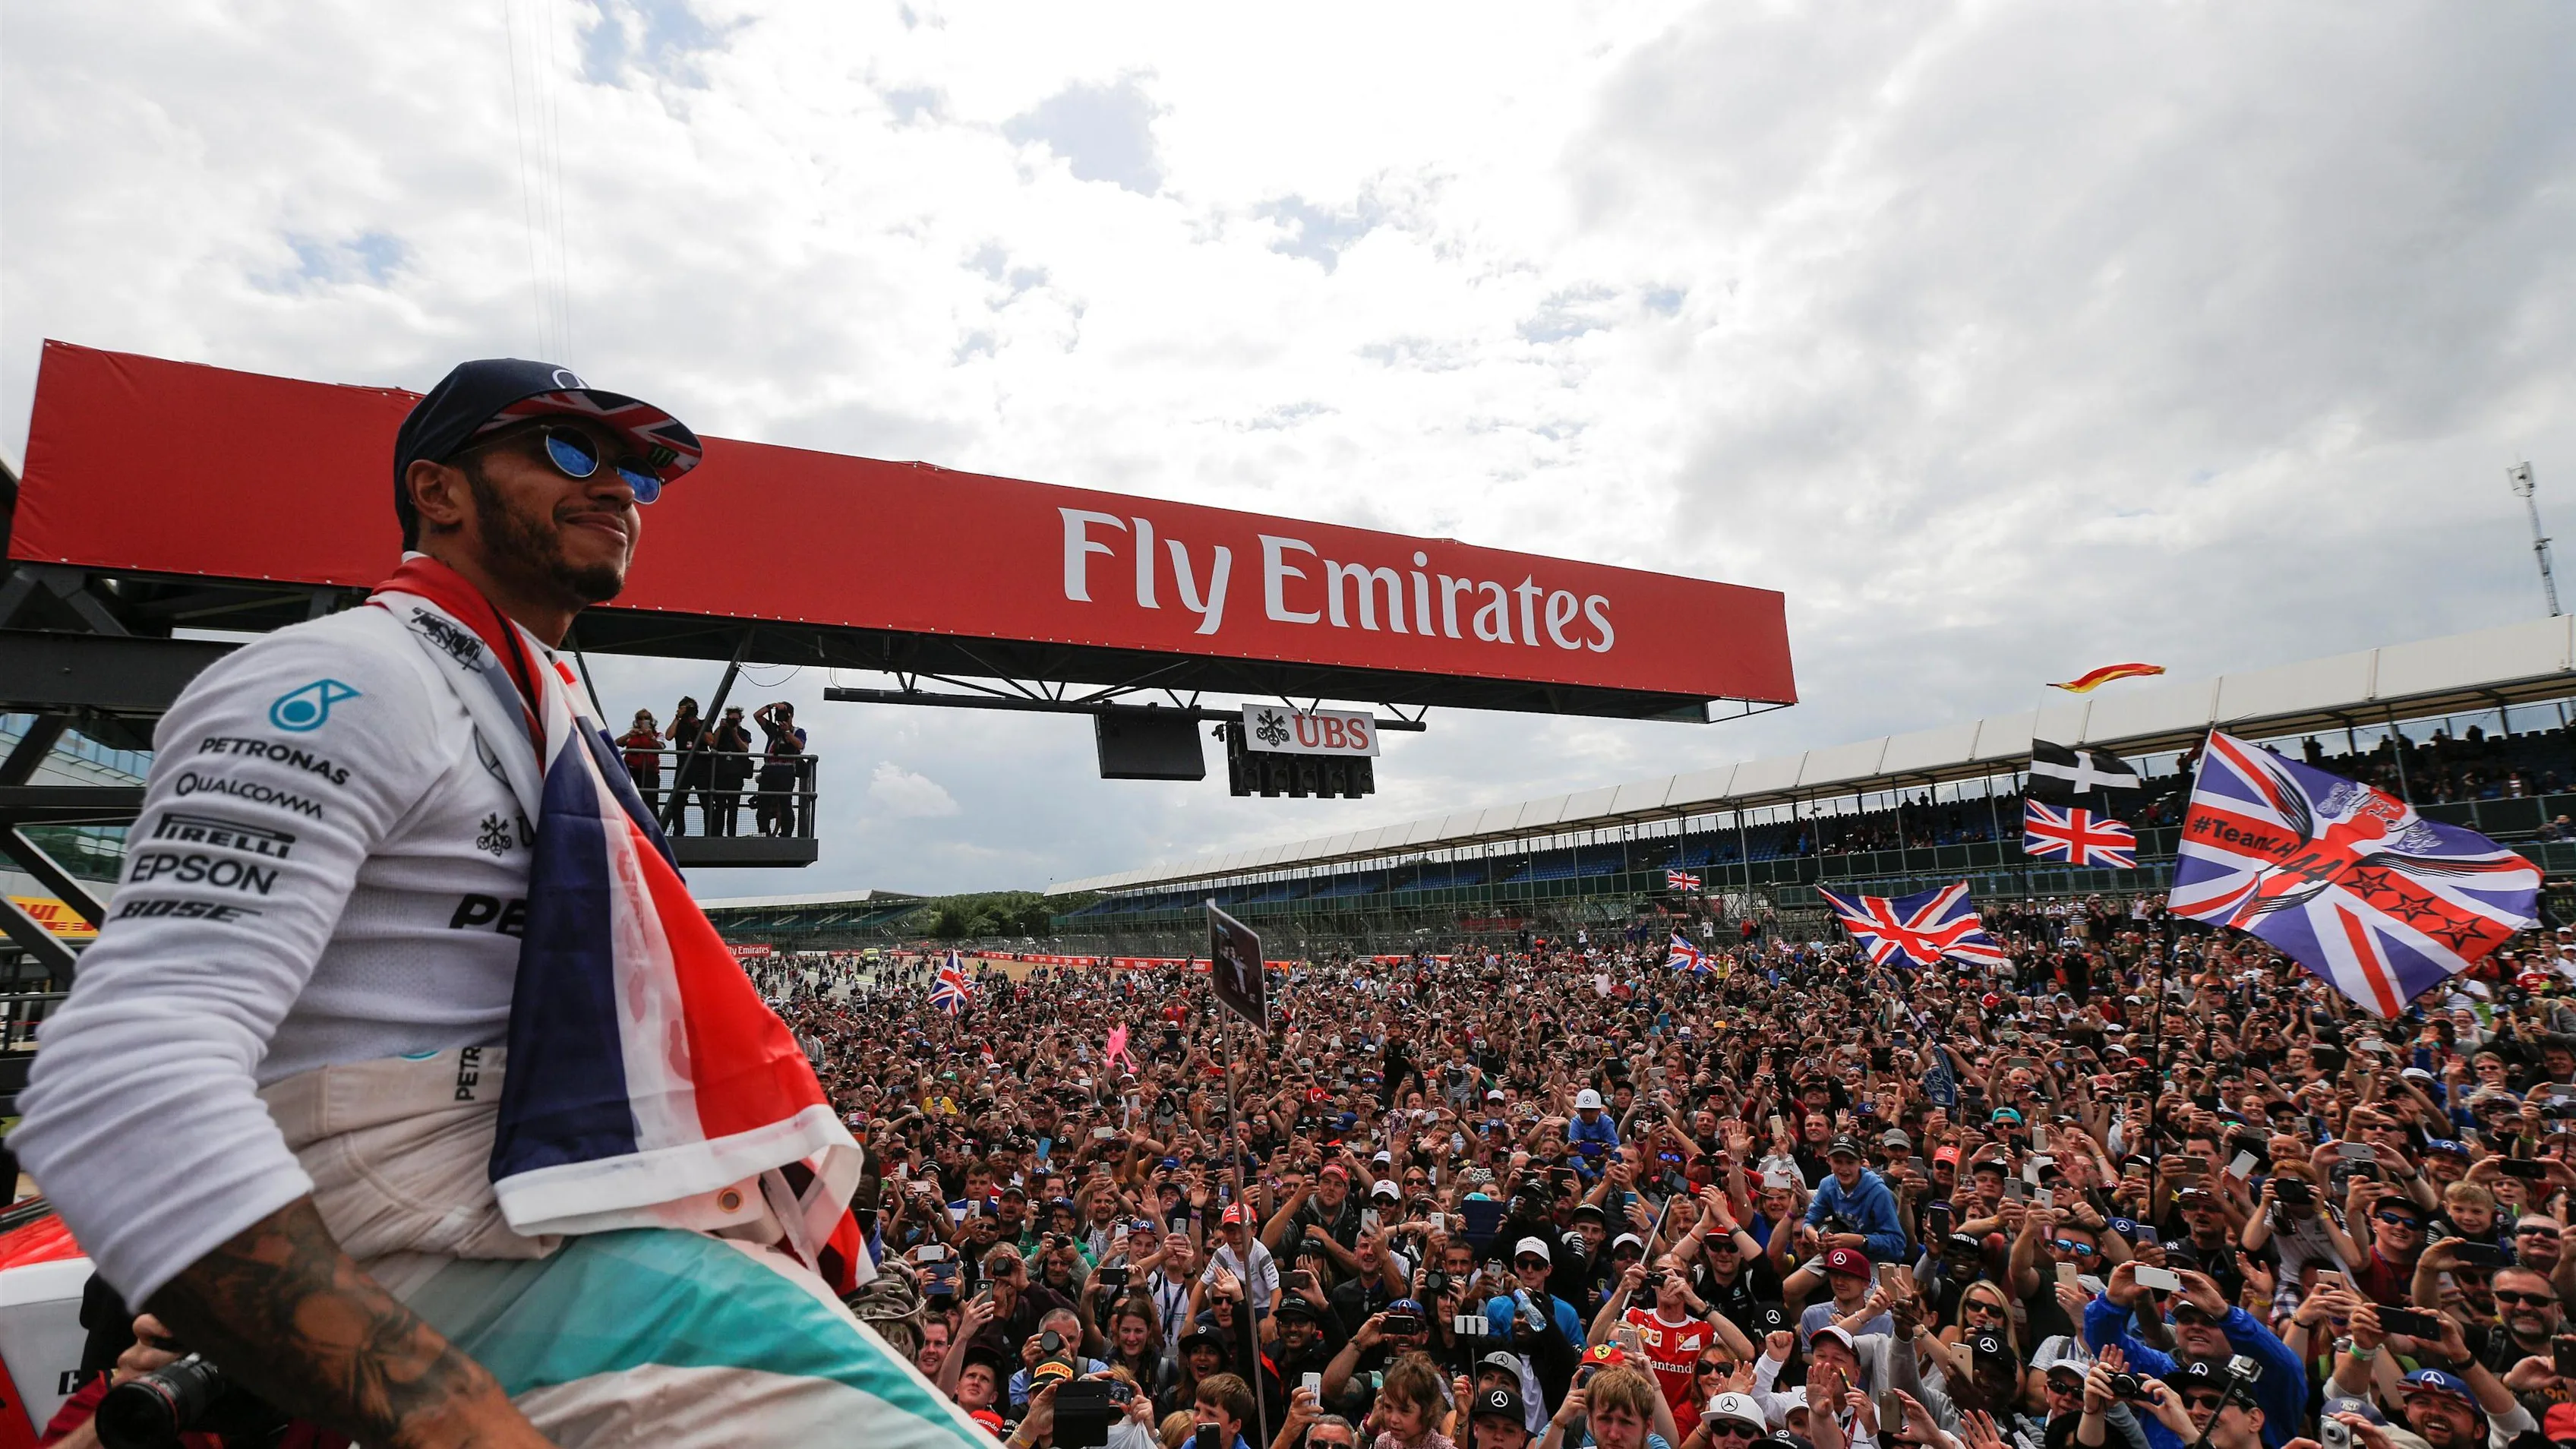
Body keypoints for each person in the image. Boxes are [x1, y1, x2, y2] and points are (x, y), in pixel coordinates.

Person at [11, 358, 980, 1448]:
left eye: (634, 474)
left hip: (548, 1231)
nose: (615, 488)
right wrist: (447, 1410)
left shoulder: (533, 700)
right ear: (438, 491)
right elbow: (119, 1076)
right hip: (444, 1248)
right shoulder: (353, 674)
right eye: (567, 450)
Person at [753, 701, 807, 838]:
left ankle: (786, 834)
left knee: (785, 803)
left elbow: (799, 745)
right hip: (769, 770)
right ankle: (763, 833)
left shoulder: (798, 731)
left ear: (791, 715)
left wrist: (787, 732)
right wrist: (771, 706)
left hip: (786, 771)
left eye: (784, 714)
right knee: (763, 804)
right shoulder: (773, 729)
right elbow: (757, 716)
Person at [709, 704, 755, 836]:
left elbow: (745, 749)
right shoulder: (722, 731)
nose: (733, 722)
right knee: (720, 807)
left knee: (733, 807)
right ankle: (717, 835)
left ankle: (731, 835)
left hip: (737, 774)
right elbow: (714, 745)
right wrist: (719, 728)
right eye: (731, 719)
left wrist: (734, 733)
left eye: (736, 719)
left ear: (741, 720)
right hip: (720, 773)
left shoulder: (744, 733)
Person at [665, 693, 708, 833]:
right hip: (683, 766)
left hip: (701, 768)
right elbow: (669, 736)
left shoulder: (703, 723)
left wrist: (697, 726)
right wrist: (677, 717)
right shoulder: (679, 724)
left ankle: (709, 833)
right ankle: (679, 832)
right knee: (678, 802)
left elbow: (711, 741)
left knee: (707, 801)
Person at [617, 707, 662, 816]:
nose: (643, 720)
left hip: (650, 772)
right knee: (631, 801)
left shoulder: (658, 735)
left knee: (651, 803)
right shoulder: (633, 735)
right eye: (640, 718)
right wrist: (629, 735)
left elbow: (660, 747)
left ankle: (652, 828)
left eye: (646, 718)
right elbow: (617, 743)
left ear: (651, 720)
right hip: (632, 772)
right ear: (637, 721)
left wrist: (650, 736)